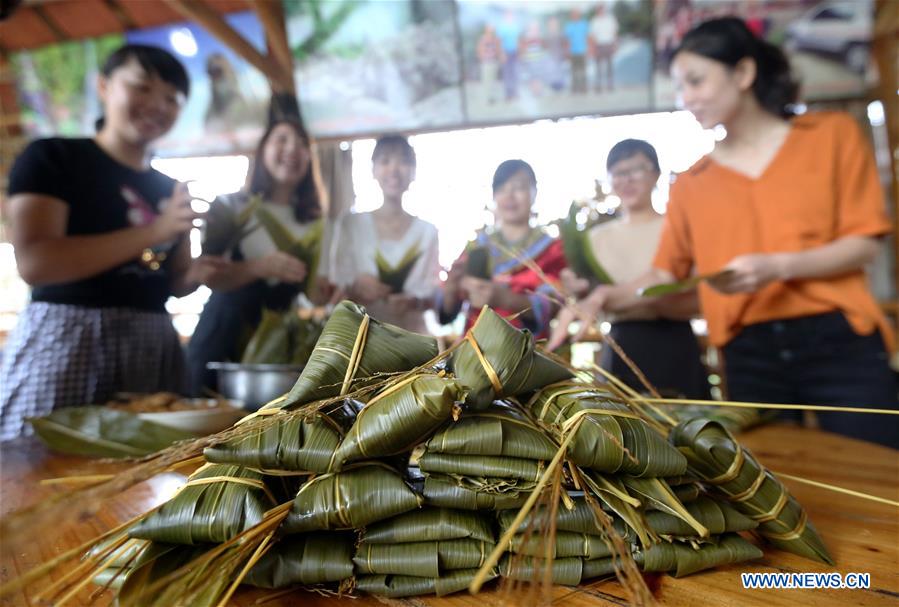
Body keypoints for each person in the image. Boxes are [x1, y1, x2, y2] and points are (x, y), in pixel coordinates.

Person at [569, 18, 898, 446]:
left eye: (696, 81)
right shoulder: (691, 183)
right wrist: (606, 296)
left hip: (840, 337)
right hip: (747, 351)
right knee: (776, 486)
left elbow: (862, 245)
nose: (686, 98)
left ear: (743, 73)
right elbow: (665, 274)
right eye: (679, 87)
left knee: (878, 470)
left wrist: (778, 266)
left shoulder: (831, 137)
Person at [0, 45, 209, 440]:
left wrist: (204, 271)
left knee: (148, 479)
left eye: (171, 98)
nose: (156, 105)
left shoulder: (168, 187)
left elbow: (176, 280)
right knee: (37, 468)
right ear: (103, 86)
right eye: (141, 87)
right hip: (66, 337)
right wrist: (156, 230)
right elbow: (36, 263)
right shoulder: (53, 157)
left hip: (153, 343)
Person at [548, 140, 710, 399]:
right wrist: (576, 292)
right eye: (618, 173)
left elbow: (702, 295)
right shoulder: (594, 239)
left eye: (636, 169)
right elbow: (586, 298)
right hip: (623, 342)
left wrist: (636, 300)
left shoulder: (676, 228)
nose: (627, 180)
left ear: (656, 173)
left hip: (677, 342)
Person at [186, 120, 332, 395]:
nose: (293, 149)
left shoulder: (313, 222)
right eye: (282, 139)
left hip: (279, 347)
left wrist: (322, 294)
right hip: (223, 336)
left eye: (302, 144)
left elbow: (310, 294)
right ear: (263, 148)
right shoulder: (230, 206)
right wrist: (258, 268)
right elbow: (209, 275)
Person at [439, 159, 566, 339]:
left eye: (519, 187)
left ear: (534, 192)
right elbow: (447, 311)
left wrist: (506, 300)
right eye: (501, 189)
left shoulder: (552, 249)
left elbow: (556, 304)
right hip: (475, 350)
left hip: (529, 352)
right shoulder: (477, 247)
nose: (509, 196)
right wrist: (451, 289)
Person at [330, 135, 440, 334]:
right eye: (385, 160)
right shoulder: (350, 224)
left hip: (413, 341)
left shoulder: (428, 231)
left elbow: (434, 295)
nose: (394, 169)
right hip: (359, 338)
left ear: (414, 172)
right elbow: (334, 287)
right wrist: (356, 287)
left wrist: (414, 301)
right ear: (373, 170)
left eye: (404, 161)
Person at [589, 3, 618, 92]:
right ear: (597, 10)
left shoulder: (610, 19)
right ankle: (599, 86)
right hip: (599, 45)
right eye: (599, 9)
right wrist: (593, 48)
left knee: (610, 66)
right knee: (598, 67)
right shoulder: (594, 21)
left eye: (602, 9)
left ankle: (610, 85)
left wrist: (615, 45)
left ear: (604, 9)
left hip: (608, 44)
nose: (601, 11)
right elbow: (592, 35)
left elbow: (614, 32)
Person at [563, 9, 590, 94]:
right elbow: (567, 40)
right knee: (574, 71)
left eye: (576, 14)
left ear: (579, 15)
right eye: (573, 15)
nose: (574, 16)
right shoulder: (569, 26)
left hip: (582, 50)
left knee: (583, 70)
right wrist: (567, 51)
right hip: (573, 51)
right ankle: (575, 88)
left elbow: (587, 37)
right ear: (571, 16)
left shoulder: (584, 24)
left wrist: (589, 49)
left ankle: (583, 87)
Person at [476, 24, 503, 105]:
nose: (491, 31)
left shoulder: (495, 39)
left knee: (493, 80)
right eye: (490, 29)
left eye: (492, 30)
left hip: (494, 61)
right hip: (486, 62)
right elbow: (479, 49)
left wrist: (499, 57)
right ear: (486, 30)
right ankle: (487, 98)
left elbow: (498, 49)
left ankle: (492, 97)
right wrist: (482, 58)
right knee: (486, 80)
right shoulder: (483, 39)